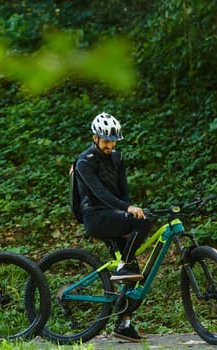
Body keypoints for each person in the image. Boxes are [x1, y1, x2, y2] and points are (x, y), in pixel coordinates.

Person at [73, 112, 151, 342]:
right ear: (94, 138)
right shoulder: (84, 161)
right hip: (96, 216)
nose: (110, 145)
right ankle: (123, 265)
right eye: (105, 141)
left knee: (136, 276)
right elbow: (100, 193)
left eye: (113, 140)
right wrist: (127, 209)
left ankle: (123, 323)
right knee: (143, 223)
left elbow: (122, 191)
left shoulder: (117, 158)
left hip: (114, 213)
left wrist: (129, 207)